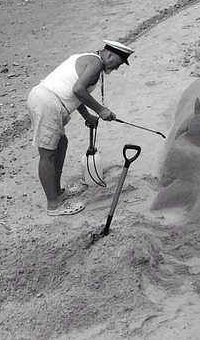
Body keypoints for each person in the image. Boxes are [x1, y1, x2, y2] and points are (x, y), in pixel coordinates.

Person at [27, 40, 132, 216]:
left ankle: (58, 193)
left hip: (45, 98)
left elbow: (73, 90)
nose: (117, 68)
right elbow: (78, 89)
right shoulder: (96, 64)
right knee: (47, 154)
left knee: (61, 143)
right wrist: (101, 110)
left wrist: (88, 116)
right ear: (109, 55)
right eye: (118, 63)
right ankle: (53, 205)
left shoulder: (89, 59)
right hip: (48, 103)